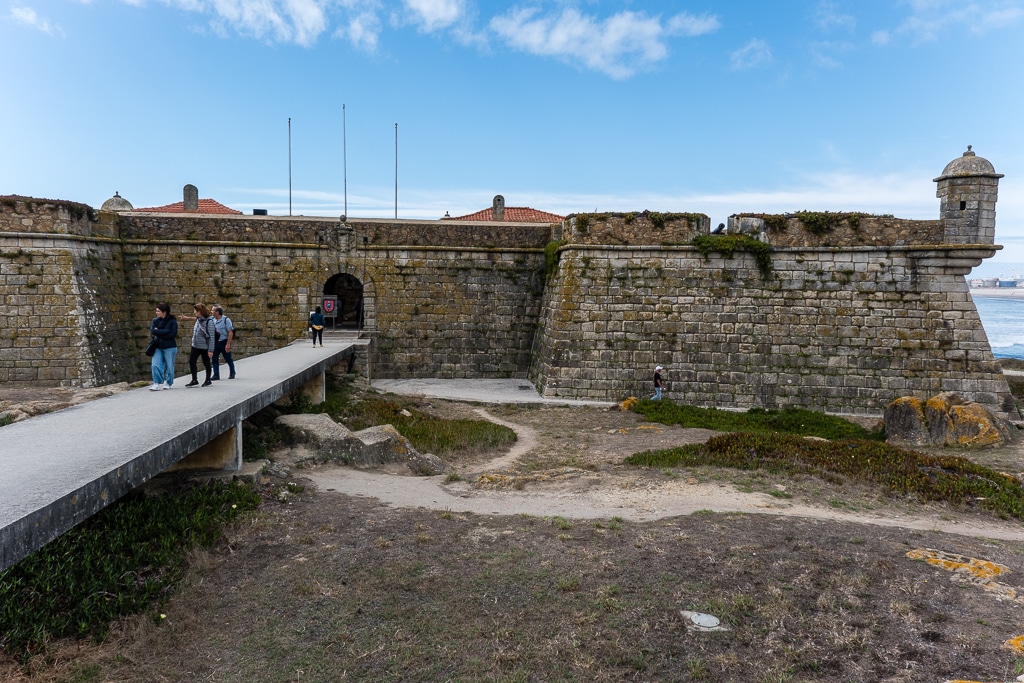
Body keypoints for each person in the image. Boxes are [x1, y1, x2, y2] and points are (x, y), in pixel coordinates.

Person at [180, 303, 216, 387]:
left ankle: (208, 380)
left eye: (196, 311)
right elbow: (193, 319)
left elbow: (211, 337)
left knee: (206, 363)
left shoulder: (209, 322)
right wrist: (186, 318)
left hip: (204, 347)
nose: (194, 312)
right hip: (195, 345)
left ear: (200, 311)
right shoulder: (198, 319)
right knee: (192, 361)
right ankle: (194, 380)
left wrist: (210, 350)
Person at [148, 303, 178, 391]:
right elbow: (153, 331)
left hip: (170, 347)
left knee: (169, 366)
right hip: (158, 346)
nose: (156, 313)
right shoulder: (155, 321)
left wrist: (159, 332)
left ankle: (168, 382)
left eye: (158, 311)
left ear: (164, 312)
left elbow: (172, 334)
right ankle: (156, 383)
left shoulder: (172, 321)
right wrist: (165, 331)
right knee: (155, 364)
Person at [211, 305, 236, 380]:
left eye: (213, 310)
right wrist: (187, 318)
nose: (211, 312)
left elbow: (230, 332)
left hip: (224, 341)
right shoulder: (212, 319)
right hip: (215, 342)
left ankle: (232, 372)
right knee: (214, 358)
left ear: (217, 312)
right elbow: (201, 319)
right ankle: (216, 374)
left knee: (228, 358)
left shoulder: (226, 320)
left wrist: (228, 344)